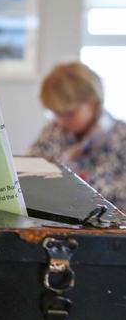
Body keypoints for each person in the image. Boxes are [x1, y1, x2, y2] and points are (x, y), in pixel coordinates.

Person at [28, 61, 126, 210]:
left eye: (69, 113)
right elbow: (29, 177)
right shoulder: (52, 130)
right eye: (55, 113)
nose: (61, 121)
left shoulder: (121, 137)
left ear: (94, 103)